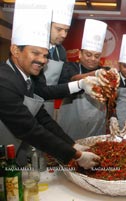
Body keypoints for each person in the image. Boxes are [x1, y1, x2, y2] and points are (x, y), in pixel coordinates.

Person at [0, 6, 99, 169]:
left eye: (45, 55)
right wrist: (77, 156)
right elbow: (29, 128)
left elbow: (41, 117)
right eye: (35, 53)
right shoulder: (4, 81)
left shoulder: (27, 78)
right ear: (15, 50)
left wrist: (72, 145)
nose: (43, 60)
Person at [57, 19, 109, 140]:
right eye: (88, 54)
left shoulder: (105, 71)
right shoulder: (69, 67)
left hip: (96, 125)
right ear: (80, 54)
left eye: (96, 56)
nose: (92, 59)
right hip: (71, 126)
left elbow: (112, 97)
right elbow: (71, 80)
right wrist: (94, 74)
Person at [31, 0, 76, 118]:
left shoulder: (61, 51)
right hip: (29, 104)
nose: (64, 35)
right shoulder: (32, 49)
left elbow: (63, 80)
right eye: (59, 29)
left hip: (49, 105)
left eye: (66, 30)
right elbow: (38, 89)